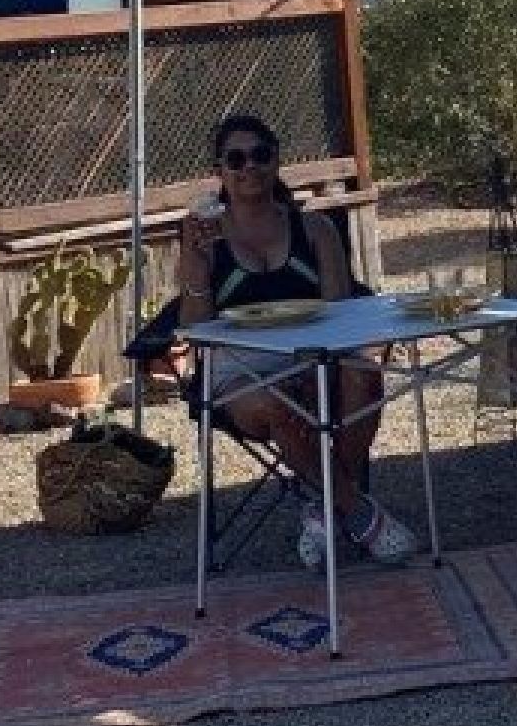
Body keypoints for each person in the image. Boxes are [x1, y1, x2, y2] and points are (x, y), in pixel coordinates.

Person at [173, 111, 418, 566]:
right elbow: (197, 324)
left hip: (312, 358)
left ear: (276, 160)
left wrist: (324, 363)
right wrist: (192, 255)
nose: (249, 167)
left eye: (260, 155)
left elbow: (344, 319)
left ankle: (321, 508)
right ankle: (358, 512)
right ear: (220, 171)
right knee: (277, 404)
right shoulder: (206, 235)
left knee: (364, 378)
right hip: (239, 370)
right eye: (236, 159)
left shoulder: (314, 230)